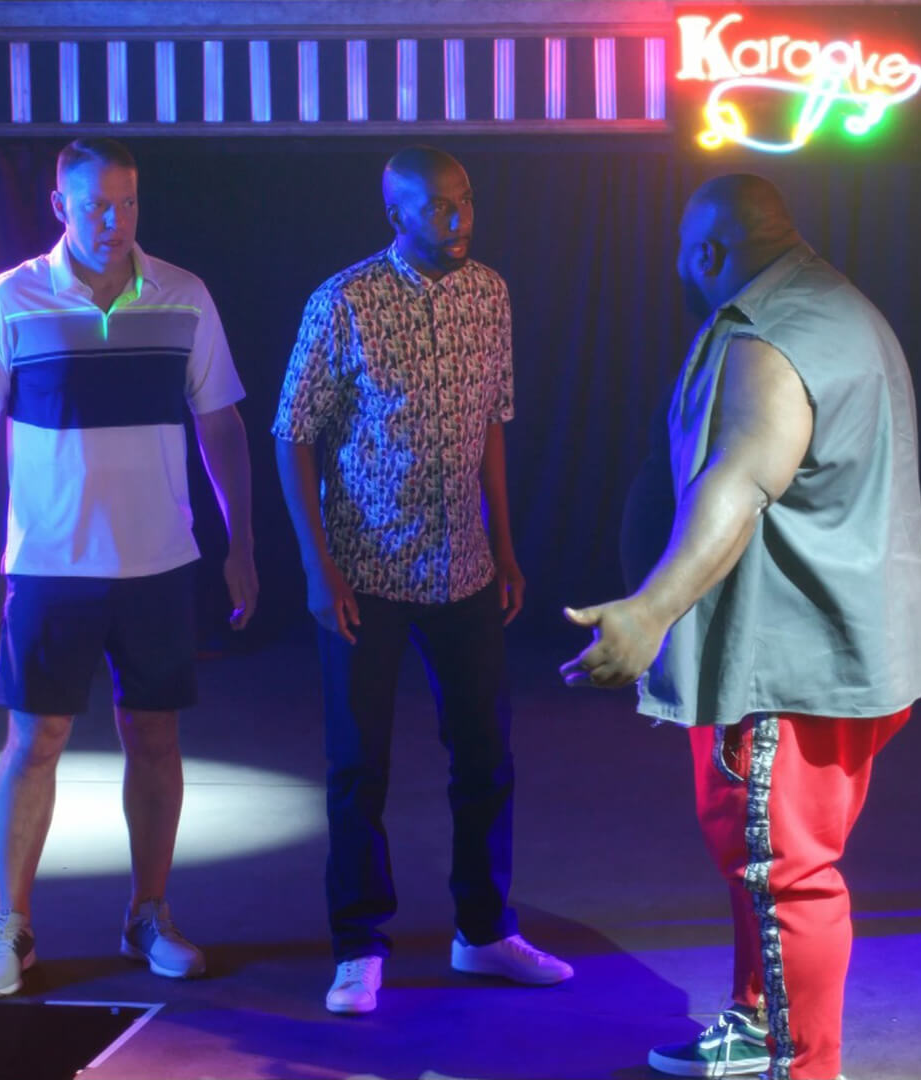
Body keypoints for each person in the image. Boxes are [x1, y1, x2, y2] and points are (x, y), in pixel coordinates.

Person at [562, 174, 921, 1080]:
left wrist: (650, 610)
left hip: (787, 664)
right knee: (760, 864)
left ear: (709, 252)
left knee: (787, 871)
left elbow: (743, 477)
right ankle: (761, 1023)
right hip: (813, 650)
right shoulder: (831, 307)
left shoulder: (773, 333)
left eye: (681, 255)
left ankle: (804, 1066)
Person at [0, 137, 258, 998]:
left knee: (154, 738)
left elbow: (221, 425)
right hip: (49, 564)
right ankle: (11, 926)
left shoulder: (185, 294)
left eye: (128, 203)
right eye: (96, 206)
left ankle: (149, 914)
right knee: (33, 741)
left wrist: (243, 543)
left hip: (159, 563)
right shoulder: (10, 298)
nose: (115, 221)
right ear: (60, 206)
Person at [272, 145, 572, 1017]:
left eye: (464, 199)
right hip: (365, 569)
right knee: (357, 766)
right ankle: (359, 945)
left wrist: (504, 545)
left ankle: (484, 932)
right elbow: (293, 434)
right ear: (396, 215)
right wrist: (317, 566)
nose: (458, 217)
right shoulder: (345, 300)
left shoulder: (490, 293)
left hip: (463, 565)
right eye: (437, 205)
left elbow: (491, 424)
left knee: (484, 757)